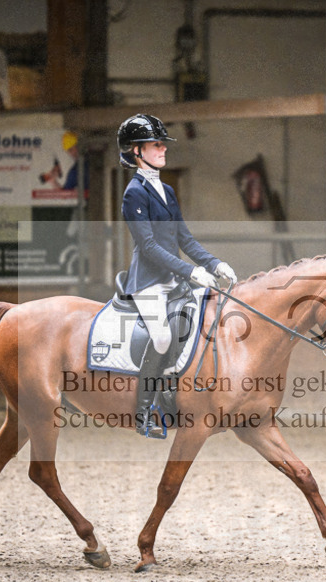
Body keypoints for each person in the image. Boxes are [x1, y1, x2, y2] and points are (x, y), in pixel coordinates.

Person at [118, 113, 237, 437]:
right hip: (148, 282)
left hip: (175, 280)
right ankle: (144, 412)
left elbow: (184, 239)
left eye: (162, 144)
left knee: (203, 322)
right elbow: (149, 245)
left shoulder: (167, 191)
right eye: (156, 144)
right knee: (161, 337)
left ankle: (179, 397)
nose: (162, 149)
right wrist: (191, 270)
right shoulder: (133, 194)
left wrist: (214, 264)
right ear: (136, 151)